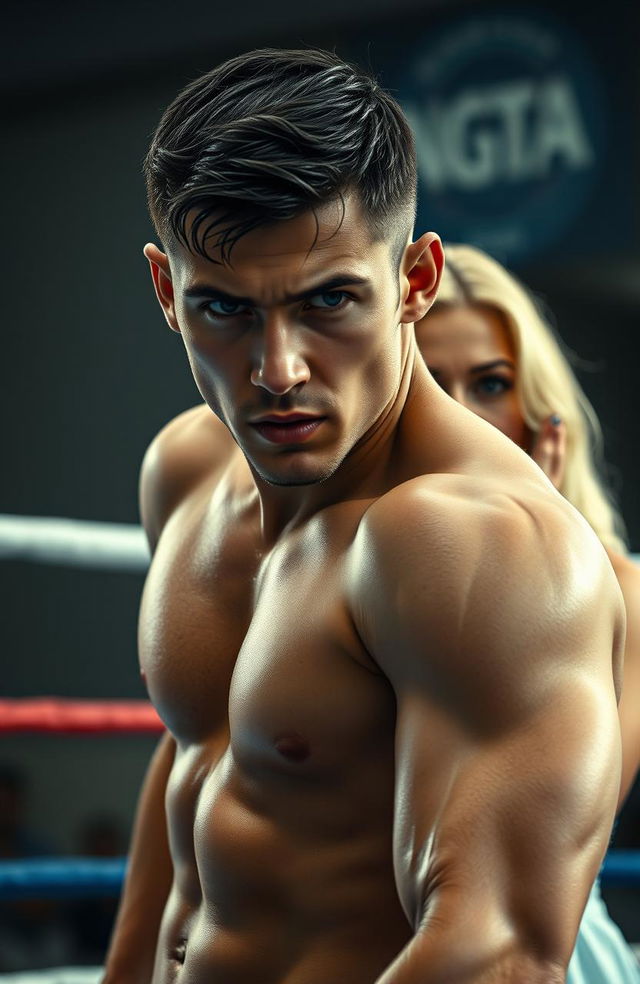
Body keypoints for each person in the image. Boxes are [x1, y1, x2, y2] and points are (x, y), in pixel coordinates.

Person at [103, 49, 624, 984]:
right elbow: (198, 766)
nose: (277, 371)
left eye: (329, 301)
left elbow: (497, 952)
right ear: (164, 292)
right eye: (221, 307)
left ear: (416, 279)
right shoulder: (186, 475)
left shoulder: (473, 540)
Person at [414, 242, 640, 982]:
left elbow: (546, 821)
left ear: (536, 406)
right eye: (432, 382)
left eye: (491, 383)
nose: (465, 416)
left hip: (542, 955)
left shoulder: (625, 593)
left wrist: (534, 567)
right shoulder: (328, 574)